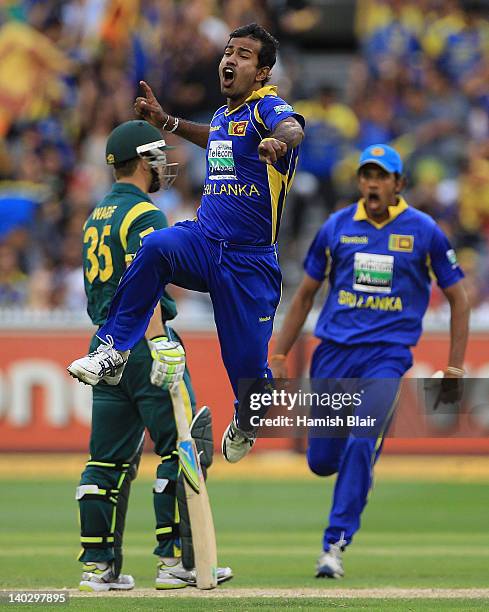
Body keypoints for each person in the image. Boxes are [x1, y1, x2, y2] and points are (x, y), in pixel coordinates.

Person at [67, 23, 305, 463]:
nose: (230, 60)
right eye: (228, 51)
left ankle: (249, 418)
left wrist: (278, 141)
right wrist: (167, 123)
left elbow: (293, 129)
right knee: (156, 246)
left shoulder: (266, 106)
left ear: (263, 72)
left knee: (248, 375)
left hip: (249, 262)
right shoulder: (223, 116)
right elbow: (216, 137)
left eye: (244, 55)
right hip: (204, 238)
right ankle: (113, 350)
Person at [270, 144, 469, 578]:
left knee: (362, 438)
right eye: (366, 175)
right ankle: (359, 472)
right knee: (322, 461)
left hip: (387, 357)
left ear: (399, 183)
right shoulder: (336, 227)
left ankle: (333, 544)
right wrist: (280, 353)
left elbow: (459, 298)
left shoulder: (425, 231)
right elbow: (304, 295)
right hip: (333, 357)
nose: (372, 183)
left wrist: (454, 368)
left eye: (382, 176)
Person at [73, 119, 232, 592]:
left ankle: (98, 568)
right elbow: (145, 285)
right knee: (182, 449)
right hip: (143, 345)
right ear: (143, 160)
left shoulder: (95, 215)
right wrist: (161, 340)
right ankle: (175, 563)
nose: (165, 162)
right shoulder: (145, 212)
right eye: (158, 155)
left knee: (105, 462)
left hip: (103, 346)